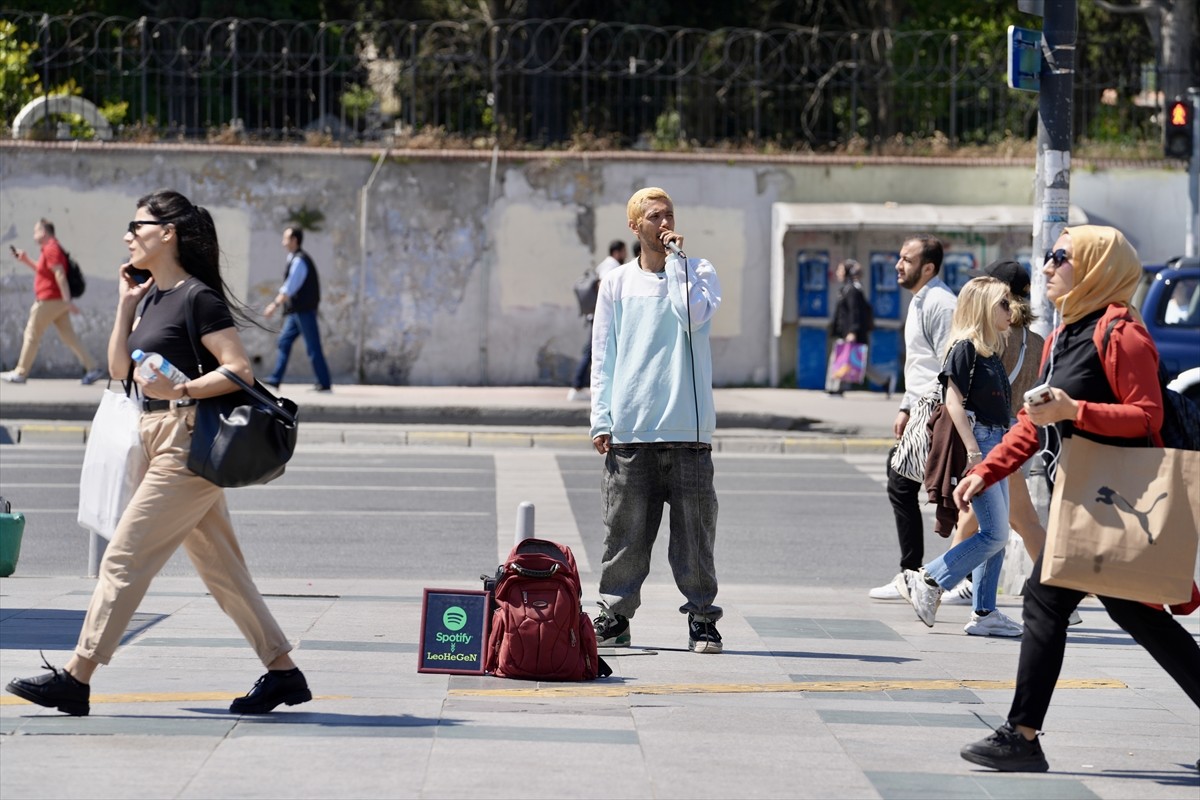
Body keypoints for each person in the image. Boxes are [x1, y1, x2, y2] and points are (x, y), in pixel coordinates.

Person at [5, 190, 311, 717]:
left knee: (123, 556)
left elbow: (239, 369)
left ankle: (77, 677)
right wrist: (125, 306)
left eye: (136, 225)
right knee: (220, 567)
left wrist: (185, 392)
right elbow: (120, 370)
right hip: (152, 435)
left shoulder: (198, 297)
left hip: (186, 441)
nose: (128, 235)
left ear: (166, 233)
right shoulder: (150, 297)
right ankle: (283, 672)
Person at [956, 225, 1200, 772]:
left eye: (1060, 257)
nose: (1046, 266)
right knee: (1139, 620)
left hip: (1118, 504)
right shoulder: (1068, 331)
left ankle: (1021, 736)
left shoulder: (1122, 333)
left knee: (1050, 601)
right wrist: (986, 471)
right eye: (1048, 256)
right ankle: (1021, 736)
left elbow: (1147, 416)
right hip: (1093, 503)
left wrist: (1076, 412)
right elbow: (1033, 420)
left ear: (1093, 266)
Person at [589, 187, 724, 654]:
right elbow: (604, 353)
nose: (664, 223)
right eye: (654, 216)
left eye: (669, 214)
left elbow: (692, 318)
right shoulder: (617, 283)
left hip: (687, 432)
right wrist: (600, 417)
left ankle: (703, 619)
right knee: (624, 534)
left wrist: (677, 264)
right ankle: (615, 616)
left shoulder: (697, 272)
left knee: (695, 537)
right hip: (632, 427)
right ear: (635, 226)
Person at [894, 276, 1023, 637]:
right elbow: (953, 402)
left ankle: (984, 612)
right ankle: (929, 579)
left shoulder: (990, 349)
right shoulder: (964, 347)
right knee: (996, 534)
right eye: (1002, 304)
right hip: (980, 443)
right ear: (983, 307)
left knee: (995, 531)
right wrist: (973, 451)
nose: (1009, 310)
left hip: (997, 443)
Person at [942, 260, 1048, 607]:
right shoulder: (1034, 342)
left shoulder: (994, 340)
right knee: (1007, 524)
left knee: (996, 526)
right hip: (1018, 440)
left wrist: (973, 449)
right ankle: (978, 598)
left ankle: (933, 582)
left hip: (998, 441)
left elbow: (958, 397)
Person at [869, 235, 957, 600]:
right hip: (919, 407)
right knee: (903, 483)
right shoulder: (921, 301)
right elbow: (919, 362)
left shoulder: (940, 304)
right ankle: (914, 573)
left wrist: (931, 416)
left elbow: (948, 364)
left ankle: (914, 574)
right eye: (899, 258)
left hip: (935, 409)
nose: (897, 265)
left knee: (901, 483)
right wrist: (905, 406)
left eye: (906, 259)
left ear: (928, 268)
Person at [2, 218, 105, 385]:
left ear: (44, 232)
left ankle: (20, 373)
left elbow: (60, 275)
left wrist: (67, 301)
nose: (34, 234)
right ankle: (93, 368)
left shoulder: (51, 248)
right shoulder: (49, 249)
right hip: (56, 301)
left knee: (31, 334)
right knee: (69, 336)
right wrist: (25, 259)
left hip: (49, 300)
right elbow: (46, 272)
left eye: (36, 230)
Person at [263, 226, 331, 392]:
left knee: (313, 346)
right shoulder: (293, 258)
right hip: (297, 312)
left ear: (294, 240)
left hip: (304, 311)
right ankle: (276, 378)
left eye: (286, 238)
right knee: (284, 341)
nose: (283, 242)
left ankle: (324, 383)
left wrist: (274, 304)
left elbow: (290, 287)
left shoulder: (300, 260)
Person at [568, 239, 627, 401]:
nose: (625, 255)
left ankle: (579, 386)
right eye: (623, 251)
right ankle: (577, 386)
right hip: (602, 317)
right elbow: (604, 289)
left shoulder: (604, 265)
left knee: (595, 350)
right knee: (593, 351)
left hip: (598, 316)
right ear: (617, 252)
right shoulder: (611, 266)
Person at [826, 259, 873, 395]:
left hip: (849, 332)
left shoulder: (853, 290)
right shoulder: (846, 288)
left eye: (840, 270)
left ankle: (835, 388)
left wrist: (852, 331)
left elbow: (855, 312)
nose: (838, 272)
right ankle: (885, 380)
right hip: (843, 331)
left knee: (840, 359)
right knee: (851, 361)